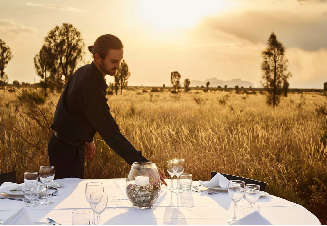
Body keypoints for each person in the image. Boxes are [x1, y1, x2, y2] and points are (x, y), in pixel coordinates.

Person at [48, 34, 167, 185]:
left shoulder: (85, 71)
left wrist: (88, 139)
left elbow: (76, 110)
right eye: (113, 61)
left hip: (70, 147)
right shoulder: (90, 84)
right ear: (98, 58)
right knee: (68, 203)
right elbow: (109, 131)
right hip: (65, 152)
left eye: (120, 61)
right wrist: (143, 166)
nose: (118, 66)